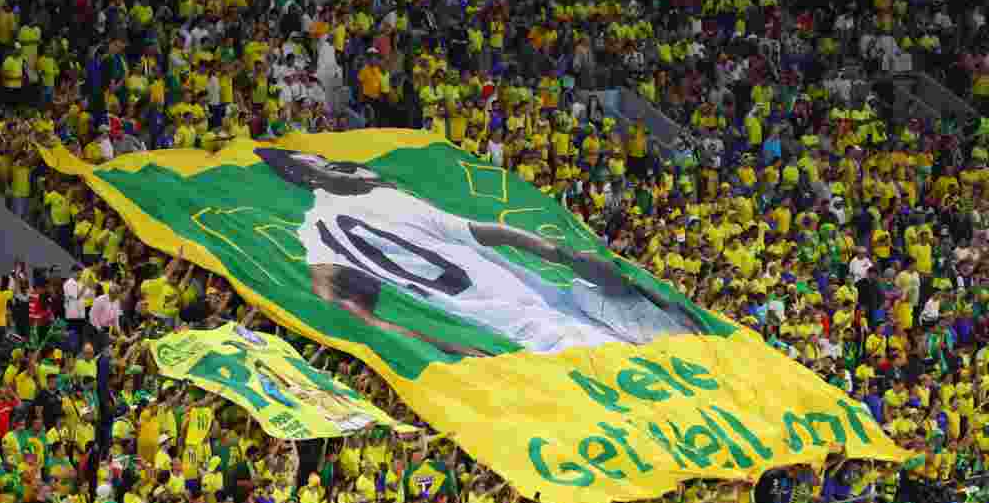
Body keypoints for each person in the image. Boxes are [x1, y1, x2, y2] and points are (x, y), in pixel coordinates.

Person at [256, 148, 707, 358]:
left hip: (501, 308)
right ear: (310, 174)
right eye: (325, 162)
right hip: (503, 305)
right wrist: (565, 256)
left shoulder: (314, 228)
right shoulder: (381, 201)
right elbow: (486, 233)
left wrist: (420, 338)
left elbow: (336, 298)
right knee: (642, 360)